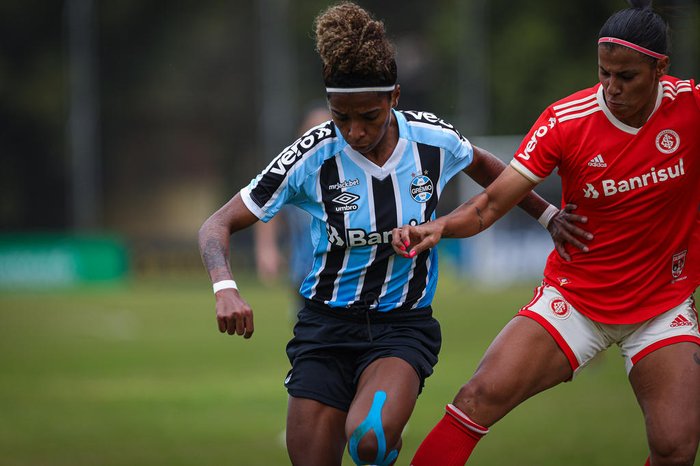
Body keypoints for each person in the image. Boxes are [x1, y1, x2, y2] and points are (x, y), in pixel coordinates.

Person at [198, 3, 587, 465]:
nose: (355, 132)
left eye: (368, 116)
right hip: (324, 328)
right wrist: (225, 287)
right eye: (341, 117)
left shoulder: (433, 141)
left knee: (370, 440)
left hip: (400, 327)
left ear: (395, 96)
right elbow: (216, 223)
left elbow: (487, 167)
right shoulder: (310, 156)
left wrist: (546, 215)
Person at [392, 1, 700, 465]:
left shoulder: (691, 107)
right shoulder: (567, 120)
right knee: (477, 397)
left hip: (662, 304)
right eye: (604, 74)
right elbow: (492, 202)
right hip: (576, 302)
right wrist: (439, 226)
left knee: (676, 446)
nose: (612, 88)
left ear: (660, 69)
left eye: (627, 77)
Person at [253, 104, 331, 313]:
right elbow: (266, 209)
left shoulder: (350, 170)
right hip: (304, 275)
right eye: (312, 130)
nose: (319, 137)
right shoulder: (294, 173)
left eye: (325, 129)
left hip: (346, 276)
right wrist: (267, 249)